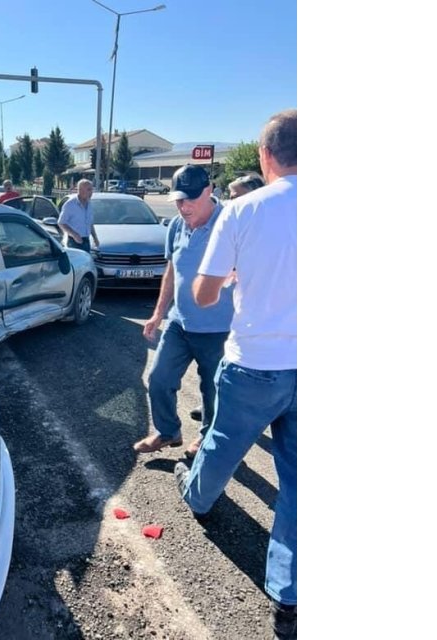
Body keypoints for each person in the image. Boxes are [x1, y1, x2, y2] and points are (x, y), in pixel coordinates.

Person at [177, 109, 297, 640]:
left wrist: (227, 277)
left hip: (254, 362)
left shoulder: (244, 211)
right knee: (299, 481)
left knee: (224, 443)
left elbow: (204, 293)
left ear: (265, 155)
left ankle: (197, 497)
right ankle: (289, 595)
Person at [132, 164, 234, 459]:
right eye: (179, 200)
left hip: (220, 329)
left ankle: (205, 439)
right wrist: (158, 313)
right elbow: (172, 270)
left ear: (209, 191)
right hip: (180, 323)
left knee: (212, 391)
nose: (184, 207)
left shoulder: (229, 223)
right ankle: (168, 432)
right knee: (159, 379)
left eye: (191, 199)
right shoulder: (176, 225)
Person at [57, 179, 99, 252]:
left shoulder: (89, 204)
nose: (91, 192)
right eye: (89, 190)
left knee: (86, 262)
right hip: (74, 242)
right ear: (81, 190)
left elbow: (90, 223)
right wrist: (74, 235)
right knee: (76, 262)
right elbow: (61, 223)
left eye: (92, 190)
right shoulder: (70, 204)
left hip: (86, 240)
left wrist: (95, 238)